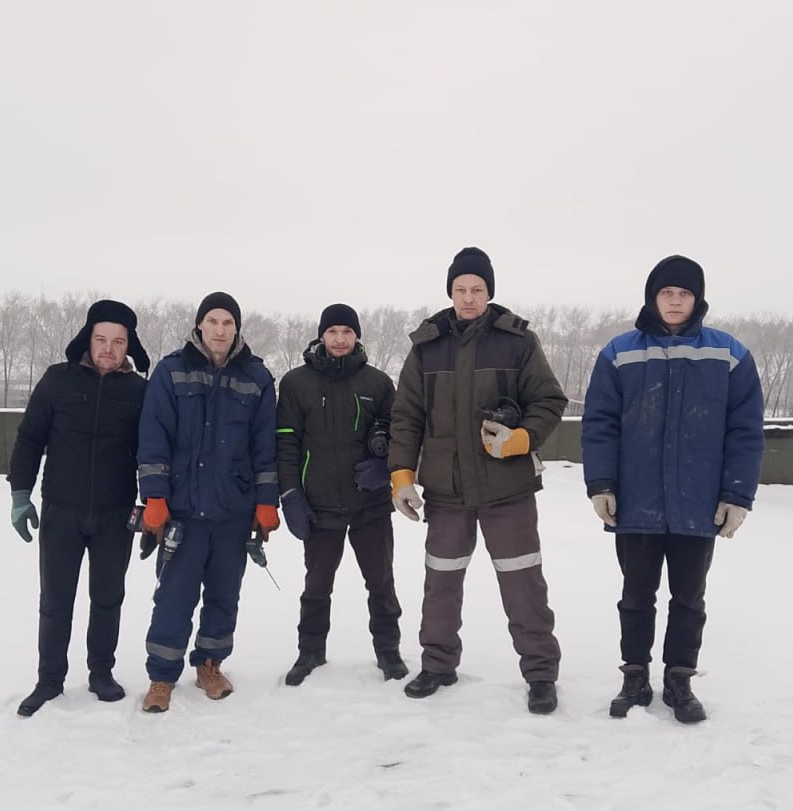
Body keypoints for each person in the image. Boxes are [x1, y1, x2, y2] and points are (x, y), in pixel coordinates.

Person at [581, 255, 764, 723]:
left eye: (684, 293)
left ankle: (680, 679)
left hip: (698, 504)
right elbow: (599, 424)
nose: (676, 300)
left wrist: (736, 496)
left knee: (688, 599)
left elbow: (745, 431)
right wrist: (601, 483)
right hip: (636, 502)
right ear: (652, 297)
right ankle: (634, 676)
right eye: (667, 292)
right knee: (635, 598)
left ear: (697, 299)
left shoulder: (729, 354)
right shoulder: (619, 353)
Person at [388, 247, 567, 714]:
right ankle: (437, 665)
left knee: (523, 584)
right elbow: (406, 415)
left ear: (490, 292)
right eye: (460, 289)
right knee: (441, 582)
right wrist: (402, 474)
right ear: (450, 292)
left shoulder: (517, 342)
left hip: (507, 489)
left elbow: (549, 400)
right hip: (446, 490)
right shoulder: (427, 346)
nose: (468, 298)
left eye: (477, 289)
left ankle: (541, 674)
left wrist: (522, 439)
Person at [137, 292, 280, 713]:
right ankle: (162, 676)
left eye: (228, 323)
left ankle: (210, 665)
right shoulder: (171, 371)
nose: (220, 329)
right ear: (199, 325)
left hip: (233, 511)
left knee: (223, 594)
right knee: (174, 597)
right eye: (213, 321)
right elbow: (153, 438)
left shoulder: (257, 378)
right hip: (183, 511)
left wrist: (266, 502)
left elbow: (265, 448)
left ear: (237, 328)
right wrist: (155, 497)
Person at [8, 299, 150, 717]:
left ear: (129, 345)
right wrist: (20, 494)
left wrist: (152, 509)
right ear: (88, 339)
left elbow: (151, 452)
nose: (109, 348)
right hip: (62, 510)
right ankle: (49, 679)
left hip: (115, 513)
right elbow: (30, 438)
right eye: (101, 339)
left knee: (108, 597)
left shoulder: (139, 391)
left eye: (118, 341)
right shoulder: (57, 380)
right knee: (55, 600)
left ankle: (101, 673)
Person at [276, 303, 406, 685]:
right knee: (317, 586)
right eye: (332, 331)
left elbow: (399, 434)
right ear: (321, 335)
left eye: (347, 332)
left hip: (370, 504)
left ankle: (389, 651)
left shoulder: (378, 383)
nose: (339, 339)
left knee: (381, 582)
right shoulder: (296, 383)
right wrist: (290, 494)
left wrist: (384, 468)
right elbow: (285, 443)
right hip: (319, 505)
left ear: (357, 336)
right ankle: (310, 652)